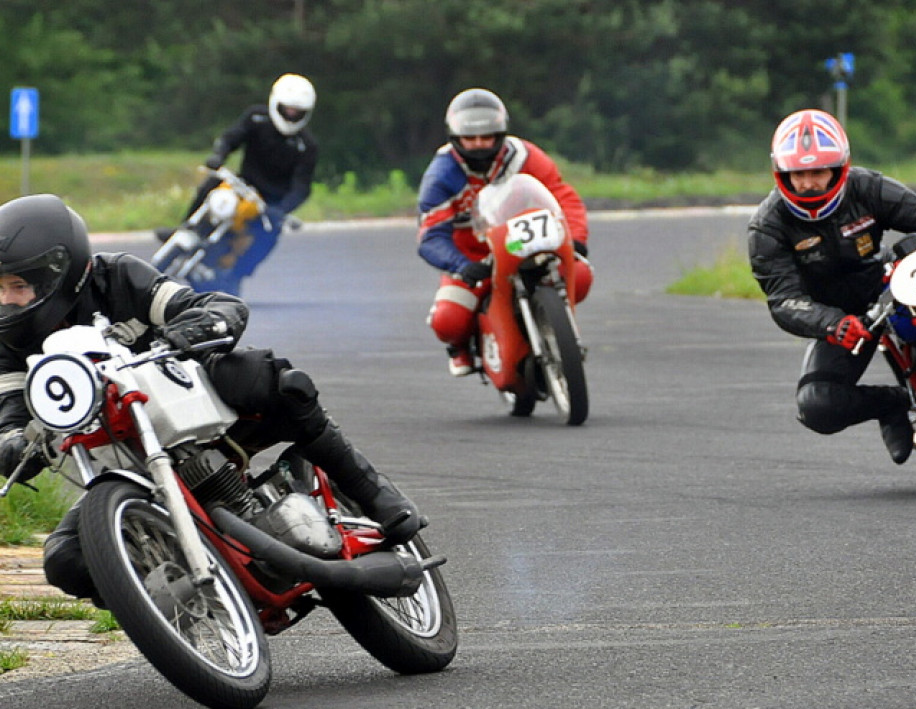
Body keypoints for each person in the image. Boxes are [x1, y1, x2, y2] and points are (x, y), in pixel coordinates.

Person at [0, 194, 422, 603]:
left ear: (59, 272)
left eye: (17, 286)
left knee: (273, 381)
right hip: (121, 458)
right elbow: (9, 416)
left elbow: (213, 304)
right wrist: (12, 444)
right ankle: (163, 597)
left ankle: (372, 493)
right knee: (65, 561)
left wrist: (191, 330)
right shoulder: (7, 340)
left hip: (191, 409)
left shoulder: (119, 277)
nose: (5, 300)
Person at [748, 108, 916, 464]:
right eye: (799, 174)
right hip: (843, 319)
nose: (809, 183)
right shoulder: (767, 227)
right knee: (818, 405)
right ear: (782, 174)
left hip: (888, 286)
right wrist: (832, 323)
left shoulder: (866, 187)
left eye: (818, 171)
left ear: (839, 168)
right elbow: (784, 300)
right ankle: (894, 405)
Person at [416, 87, 594, 376]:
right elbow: (430, 236)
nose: (479, 145)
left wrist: (575, 238)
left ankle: (560, 330)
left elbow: (563, 196)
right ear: (455, 138)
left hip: (527, 243)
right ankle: (461, 348)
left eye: (486, 137)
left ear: (500, 134)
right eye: (470, 138)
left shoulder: (524, 156)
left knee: (581, 274)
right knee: (448, 321)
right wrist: (461, 265)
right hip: (474, 258)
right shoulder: (441, 174)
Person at [155, 73, 319, 241]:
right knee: (212, 183)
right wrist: (219, 156)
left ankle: (238, 266)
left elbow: (301, 187)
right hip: (242, 184)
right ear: (275, 102)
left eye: (297, 111)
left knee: (268, 236)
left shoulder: (307, 146)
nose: (291, 114)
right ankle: (186, 228)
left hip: (270, 205)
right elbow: (230, 138)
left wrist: (282, 208)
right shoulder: (256, 118)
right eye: (288, 109)